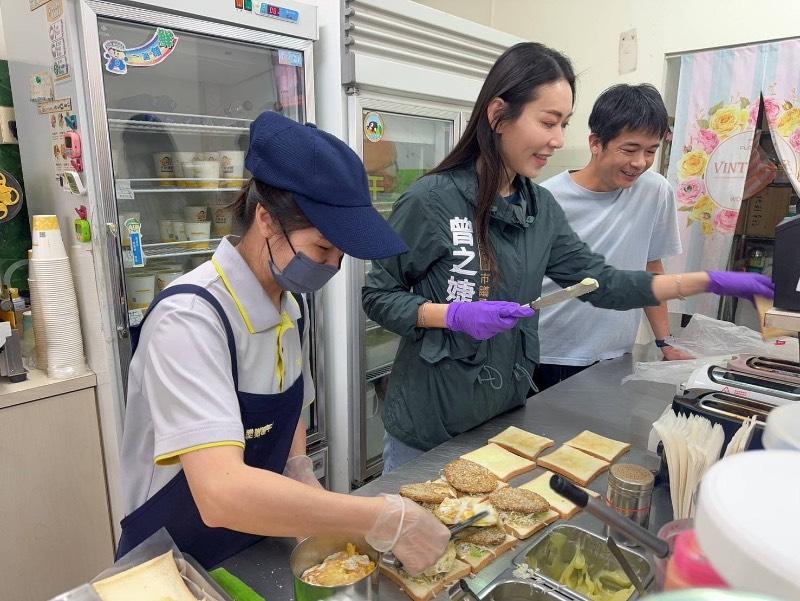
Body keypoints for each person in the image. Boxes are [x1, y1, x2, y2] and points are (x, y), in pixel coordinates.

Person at [362, 42, 774, 473]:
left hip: (499, 417)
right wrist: (451, 316)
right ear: (498, 114)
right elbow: (378, 296)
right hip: (428, 425)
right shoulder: (433, 200)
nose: (559, 140)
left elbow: (602, 283)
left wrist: (704, 281)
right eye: (548, 122)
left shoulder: (539, 208)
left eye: (565, 124)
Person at [117, 112, 450, 573]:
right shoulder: (190, 320)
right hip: (173, 559)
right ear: (267, 220)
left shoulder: (288, 306)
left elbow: (283, 404)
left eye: (340, 254)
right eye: (321, 249)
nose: (332, 267)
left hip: (254, 539)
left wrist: (298, 467)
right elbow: (220, 493)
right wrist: (383, 516)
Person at [535, 83, 692, 391]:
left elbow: (651, 267)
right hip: (547, 351)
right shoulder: (548, 198)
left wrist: (664, 341)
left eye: (651, 151)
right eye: (629, 149)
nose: (640, 163)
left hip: (614, 353)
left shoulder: (655, 191)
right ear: (596, 142)